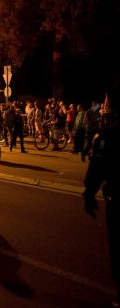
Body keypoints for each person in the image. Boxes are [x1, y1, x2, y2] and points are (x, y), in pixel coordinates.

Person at [83, 88, 119, 308]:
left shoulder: (110, 134)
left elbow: (97, 166)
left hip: (118, 201)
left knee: (118, 248)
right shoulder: (108, 134)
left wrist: (89, 193)